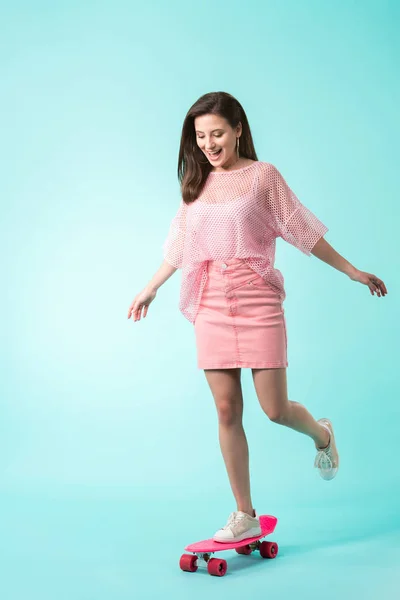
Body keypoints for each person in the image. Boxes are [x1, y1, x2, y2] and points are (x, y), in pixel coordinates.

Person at [127, 92, 388, 544]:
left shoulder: (263, 177)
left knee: (274, 410)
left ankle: (322, 434)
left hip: (257, 300)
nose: (209, 144)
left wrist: (352, 271)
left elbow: (301, 228)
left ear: (238, 129)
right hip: (210, 301)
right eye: (201, 136)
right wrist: (150, 287)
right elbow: (180, 245)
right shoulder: (197, 182)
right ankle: (243, 514)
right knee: (227, 409)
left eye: (217, 134)